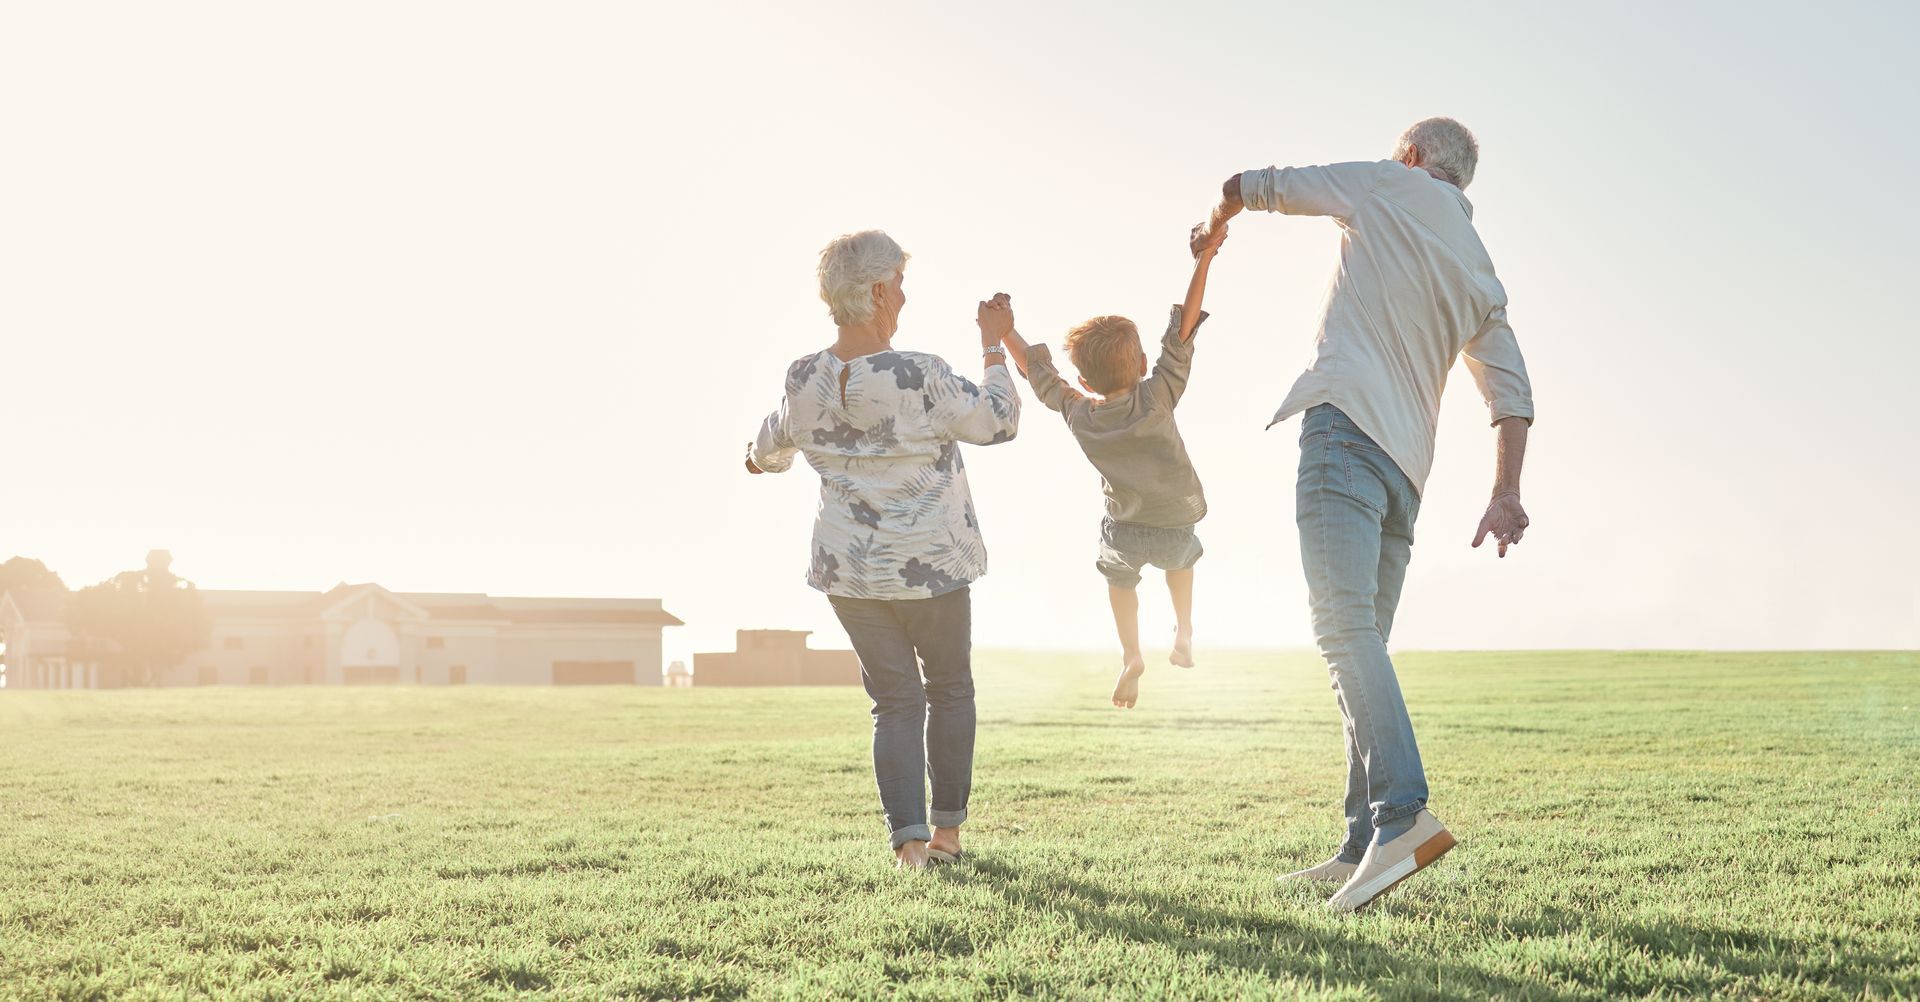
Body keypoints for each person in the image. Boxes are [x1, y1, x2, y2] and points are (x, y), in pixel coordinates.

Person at [1191, 117, 1535, 911]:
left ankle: (1403, 816)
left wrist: (1216, 224)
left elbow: (1261, 184)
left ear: (1412, 157)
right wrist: (1506, 490)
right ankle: (1359, 846)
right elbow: (1511, 394)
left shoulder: (1388, 183)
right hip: (1407, 473)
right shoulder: (1480, 267)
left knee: (1341, 632)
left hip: (1344, 432)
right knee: (1361, 643)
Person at [745, 229, 1021, 869]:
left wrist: (759, 463)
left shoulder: (803, 375)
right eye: (899, 282)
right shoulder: (918, 373)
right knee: (949, 690)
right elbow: (997, 422)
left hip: (850, 576)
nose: (904, 294)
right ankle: (948, 838)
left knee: (895, 701)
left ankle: (910, 848)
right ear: (876, 291)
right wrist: (993, 345)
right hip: (932, 569)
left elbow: (772, 443)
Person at [998, 225, 1229, 708]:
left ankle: (1131, 655)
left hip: (1124, 527)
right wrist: (1203, 259)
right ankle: (1183, 631)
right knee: (1181, 563)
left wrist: (1005, 332)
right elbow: (1183, 331)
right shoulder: (1157, 396)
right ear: (1144, 362)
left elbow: (1039, 376)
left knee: (1119, 580)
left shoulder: (1080, 413)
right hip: (1174, 519)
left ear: (1084, 379)